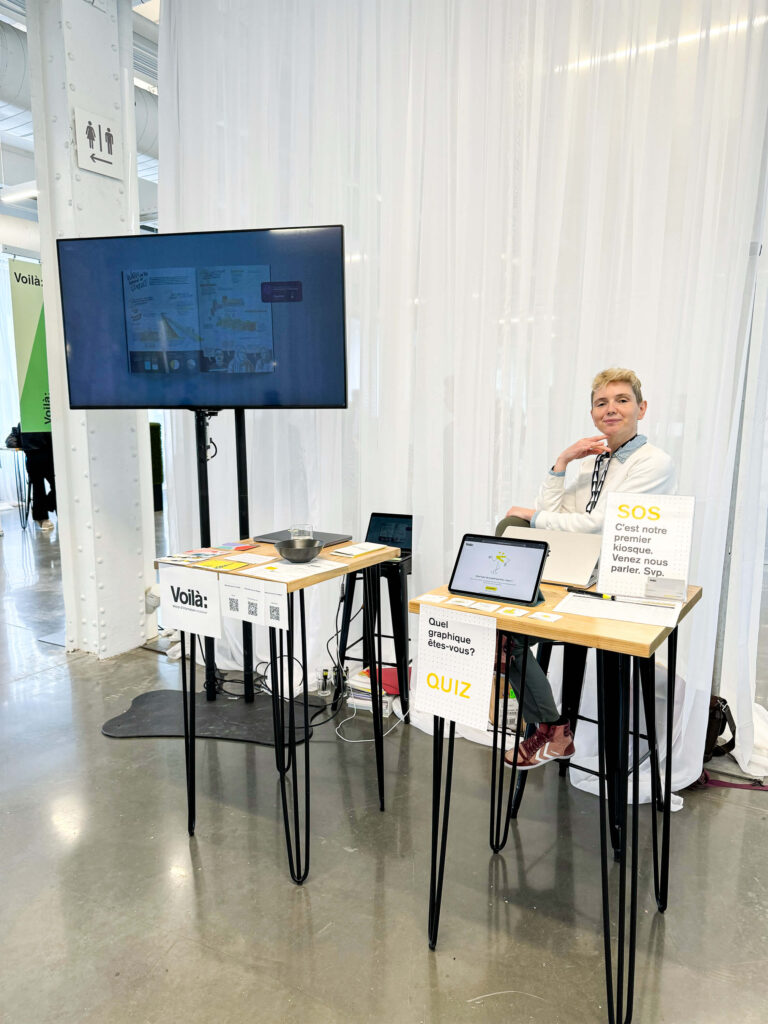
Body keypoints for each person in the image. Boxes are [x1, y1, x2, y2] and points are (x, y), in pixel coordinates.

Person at [502, 368, 676, 770]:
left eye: (621, 400)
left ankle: (549, 730)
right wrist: (562, 462)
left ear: (641, 408)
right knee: (499, 634)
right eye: (601, 402)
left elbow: (601, 524)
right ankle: (552, 728)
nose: (610, 409)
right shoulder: (591, 461)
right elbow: (559, 512)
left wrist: (534, 517)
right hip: (576, 570)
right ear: (593, 412)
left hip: (621, 582)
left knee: (517, 529)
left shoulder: (654, 462)